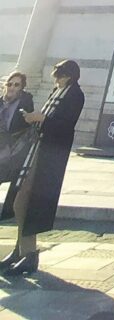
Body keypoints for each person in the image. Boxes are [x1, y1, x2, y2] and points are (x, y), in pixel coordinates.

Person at [0, 59, 85, 276]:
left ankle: (29, 254)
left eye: (59, 74)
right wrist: (35, 119)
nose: (56, 78)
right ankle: (22, 251)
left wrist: (41, 118)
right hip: (36, 150)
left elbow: (65, 125)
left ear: (68, 75)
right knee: (20, 202)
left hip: (49, 156)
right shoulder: (58, 92)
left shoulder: (75, 95)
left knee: (26, 203)